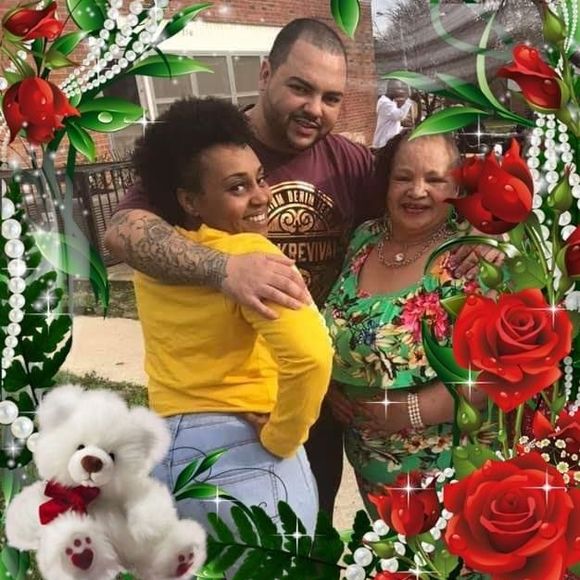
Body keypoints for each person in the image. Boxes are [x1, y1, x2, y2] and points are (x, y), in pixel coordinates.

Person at [105, 18, 496, 520]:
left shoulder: (350, 164)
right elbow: (124, 231)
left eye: (331, 98)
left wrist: (488, 229)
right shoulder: (210, 150)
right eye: (301, 88)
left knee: (312, 530)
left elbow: (419, 191)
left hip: (319, 405)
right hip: (232, 403)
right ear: (266, 73)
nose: (315, 109)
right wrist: (226, 268)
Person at [131, 96, 333, 534]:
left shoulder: (157, 260)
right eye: (237, 188)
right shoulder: (250, 255)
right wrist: (282, 437)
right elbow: (311, 358)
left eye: (260, 179)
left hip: (164, 454)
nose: (261, 196)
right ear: (190, 200)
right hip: (243, 458)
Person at [322, 132, 488, 510]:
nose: (417, 191)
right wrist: (332, 383)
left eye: (435, 179)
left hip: (450, 478)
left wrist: (413, 409)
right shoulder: (364, 239)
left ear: (457, 188)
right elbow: (339, 325)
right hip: (372, 476)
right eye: (403, 177)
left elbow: (505, 371)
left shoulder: (471, 256)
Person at [371, 83, 414, 149]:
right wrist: (409, 101)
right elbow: (400, 116)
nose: (400, 92)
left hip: (388, 141)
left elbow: (391, 123)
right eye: (398, 89)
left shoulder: (391, 102)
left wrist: (402, 129)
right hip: (384, 143)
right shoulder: (385, 103)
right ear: (391, 90)